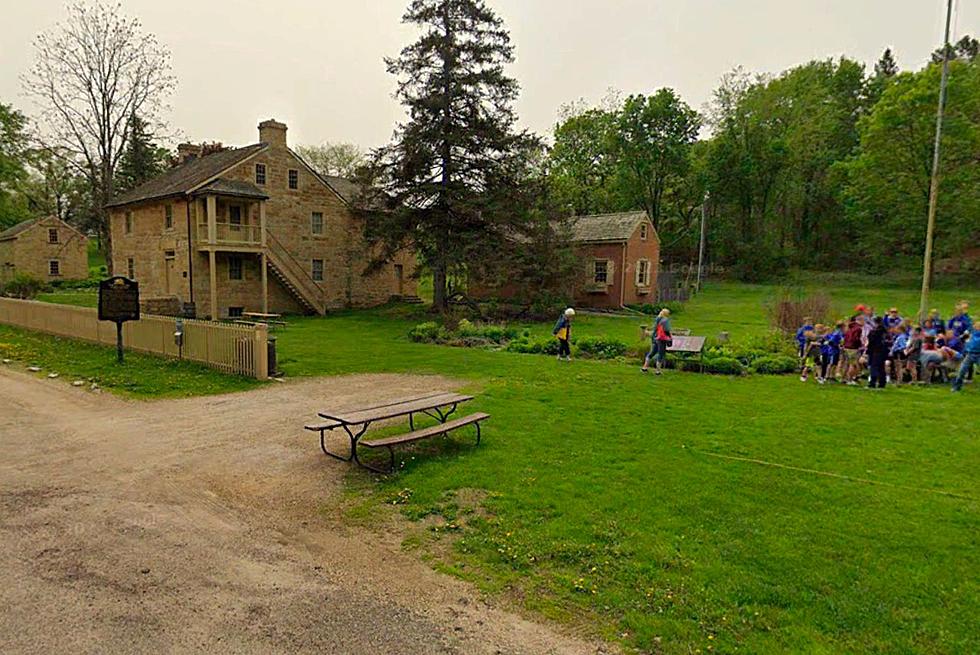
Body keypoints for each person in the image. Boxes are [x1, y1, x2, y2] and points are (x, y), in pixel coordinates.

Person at [641, 309, 672, 374]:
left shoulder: (657, 319)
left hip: (655, 338)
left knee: (652, 353)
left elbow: (654, 329)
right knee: (661, 354)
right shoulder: (665, 320)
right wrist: (670, 337)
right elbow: (667, 330)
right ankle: (658, 371)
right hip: (661, 339)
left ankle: (645, 367)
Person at [951, 324, 980, 392]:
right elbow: (961, 338)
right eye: (975, 326)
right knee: (961, 371)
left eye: (977, 326)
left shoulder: (973, 334)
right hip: (969, 354)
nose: (976, 327)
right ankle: (956, 388)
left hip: (979, 355)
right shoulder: (971, 333)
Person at [866, 317, 888, 389]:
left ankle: (872, 382)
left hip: (875, 351)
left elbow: (871, 341)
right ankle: (882, 383)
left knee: (874, 366)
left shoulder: (874, 332)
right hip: (883, 351)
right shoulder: (885, 331)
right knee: (881, 367)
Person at [841, 315, 864, 385]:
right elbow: (855, 338)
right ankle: (850, 379)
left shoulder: (850, 327)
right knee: (853, 364)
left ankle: (843, 378)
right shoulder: (858, 329)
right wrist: (860, 344)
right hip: (853, 348)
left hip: (846, 347)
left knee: (846, 364)